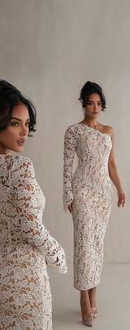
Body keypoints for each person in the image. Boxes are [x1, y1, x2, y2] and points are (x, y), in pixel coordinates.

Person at [0, 78, 67, 330]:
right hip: (24, 286)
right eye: (15, 124)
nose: (24, 132)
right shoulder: (20, 166)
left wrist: (5, 241)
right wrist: (58, 255)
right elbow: (30, 227)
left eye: (27, 124)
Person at [63, 81, 126, 327]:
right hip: (82, 191)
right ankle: (83, 299)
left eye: (99, 103)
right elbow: (67, 166)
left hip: (102, 194)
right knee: (83, 244)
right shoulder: (73, 131)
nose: (95, 107)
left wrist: (120, 188)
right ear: (83, 103)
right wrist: (68, 195)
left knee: (97, 245)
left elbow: (111, 164)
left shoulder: (109, 131)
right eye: (91, 103)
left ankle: (93, 294)